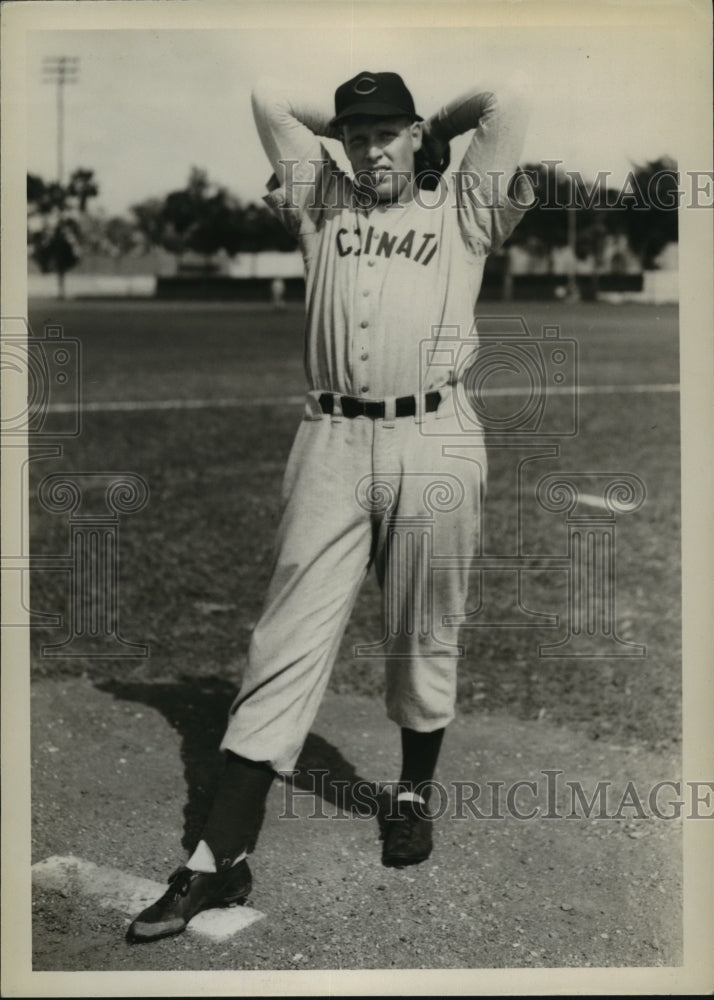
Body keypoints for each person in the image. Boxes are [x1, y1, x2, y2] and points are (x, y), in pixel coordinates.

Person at [127, 68, 533, 943]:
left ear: (418, 135)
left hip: (435, 434)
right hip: (332, 440)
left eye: (387, 131)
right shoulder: (322, 200)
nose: (370, 146)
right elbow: (268, 99)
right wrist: (347, 123)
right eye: (356, 133)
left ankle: (412, 795)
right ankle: (219, 861)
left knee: (423, 626)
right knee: (284, 638)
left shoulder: (463, 206)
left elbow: (507, 95)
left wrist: (432, 131)